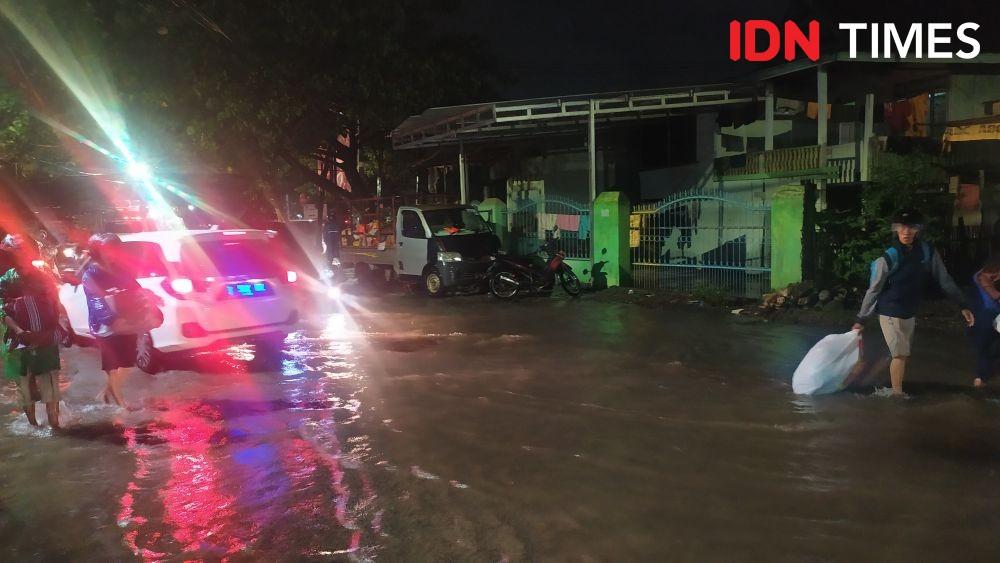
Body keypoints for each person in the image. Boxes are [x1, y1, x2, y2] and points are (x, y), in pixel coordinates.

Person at [852, 210, 974, 395]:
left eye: (911, 227)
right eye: (901, 227)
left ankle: (884, 385)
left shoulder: (927, 252)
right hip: (889, 312)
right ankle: (897, 397)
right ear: (896, 229)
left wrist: (963, 304)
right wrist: (861, 319)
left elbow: (945, 279)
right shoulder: (888, 258)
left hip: (909, 313)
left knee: (903, 356)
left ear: (918, 230)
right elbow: (874, 290)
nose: (906, 232)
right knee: (900, 355)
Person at [0, 234, 66, 428]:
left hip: (45, 339)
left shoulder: (43, 278)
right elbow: (2, 310)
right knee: (25, 387)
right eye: (16, 253)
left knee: (50, 386)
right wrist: (21, 333)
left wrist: (43, 334)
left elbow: (55, 307)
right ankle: (34, 426)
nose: (21, 257)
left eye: (23, 252)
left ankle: (55, 427)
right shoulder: (5, 281)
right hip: (18, 340)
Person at [81, 233, 140, 407]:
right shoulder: (90, 275)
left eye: (114, 249)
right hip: (104, 327)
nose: (111, 253)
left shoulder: (120, 270)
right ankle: (121, 405)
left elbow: (134, 288)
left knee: (128, 364)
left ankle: (106, 393)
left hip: (126, 322)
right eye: (106, 250)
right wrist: (110, 319)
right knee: (112, 367)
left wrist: (149, 300)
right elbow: (96, 300)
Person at [970, 255, 1000, 388]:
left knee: (984, 352)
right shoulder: (988, 278)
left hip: (979, 319)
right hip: (989, 318)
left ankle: (980, 381)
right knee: (988, 352)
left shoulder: (978, 276)